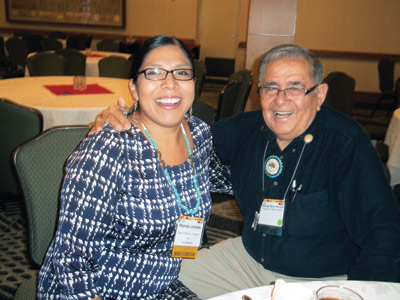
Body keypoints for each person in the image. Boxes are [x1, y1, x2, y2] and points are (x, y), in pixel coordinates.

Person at [96, 44, 400, 299]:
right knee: (161, 276)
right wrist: (131, 119)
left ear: (319, 95)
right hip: (249, 259)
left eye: (295, 88)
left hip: (319, 279)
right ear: (259, 92)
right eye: (271, 88)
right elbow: (182, 136)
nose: (281, 100)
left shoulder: (345, 144)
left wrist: (353, 293)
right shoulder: (248, 128)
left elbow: (384, 234)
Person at [37, 35, 229, 300]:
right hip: (95, 289)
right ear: (134, 88)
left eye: (182, 73)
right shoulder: (109, 149)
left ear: (193, 84)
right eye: (154, 73)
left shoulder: (199, 134)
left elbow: (226, 176)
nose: (170, 83)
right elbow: (71, 261)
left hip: (160, 283)